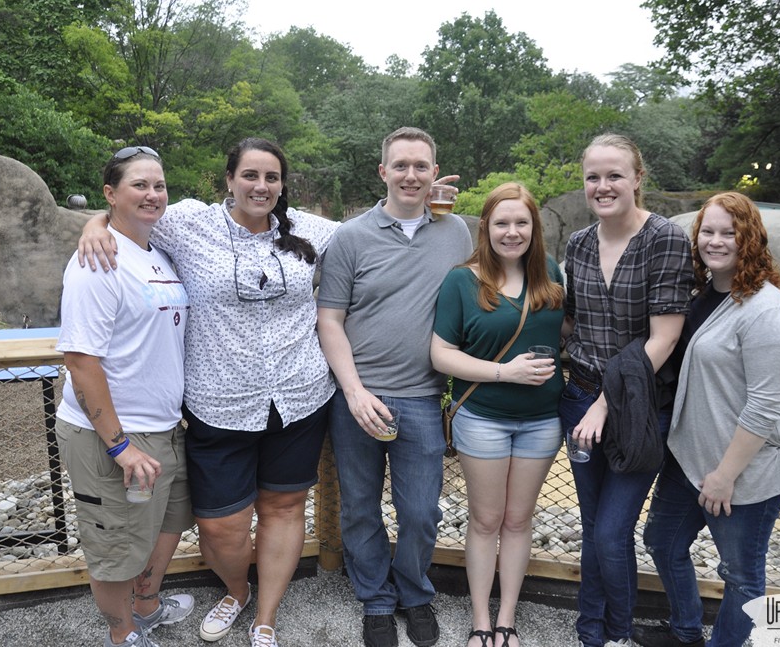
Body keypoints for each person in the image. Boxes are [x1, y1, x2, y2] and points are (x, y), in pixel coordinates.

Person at [78, 138, 339, 647]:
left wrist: (417, 199)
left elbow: (371, 232)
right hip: (218, 402)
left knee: (285, 508)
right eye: (250, 175)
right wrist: (92, 224)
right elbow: (129, 214)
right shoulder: (188, 222)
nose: (261, 186)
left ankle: (266, 615)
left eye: (272, 177)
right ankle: (236, 591)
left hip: (300, 396)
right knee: (220, 526)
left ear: (282, 185)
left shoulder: (308, 228)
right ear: (229, 179)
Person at [316, 126, 473, 647]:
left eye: (421, 166)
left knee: (422, 510)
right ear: (382, 171)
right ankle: (376, 598)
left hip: (424, 398)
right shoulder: (351, 237)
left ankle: (413, 590)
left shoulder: (456, 234)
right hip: (357, 397)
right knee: (359, 505)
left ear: (435, 174)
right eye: (400, 165)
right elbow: (330, 319)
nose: (410, 174)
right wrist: (355, 391)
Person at [633, 193, 780, 647]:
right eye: (708, 230)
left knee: (741, 574)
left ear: (751, 238)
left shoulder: (767, 309)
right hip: (688, 458)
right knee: (663, 543)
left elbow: (766, 405)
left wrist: (725, 475)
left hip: (745, 474)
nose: (716, 240)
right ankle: (685, 631)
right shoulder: (701, 295)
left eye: (729, 232)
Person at [56, 146, 194, 647]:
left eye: (159, 185)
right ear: (111, 194)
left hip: (164, 427)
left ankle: (148, 606)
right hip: (112, 435)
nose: (153, 194)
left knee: (167, 522)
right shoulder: (97, 260)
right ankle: (123, 634)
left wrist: (97, 219)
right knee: (115, 543)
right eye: (139, 185)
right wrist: (118, 445)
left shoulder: (156, 250)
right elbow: (80, 361)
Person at [559, 133, 693, 647]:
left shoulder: (665, 238)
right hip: (579, 397)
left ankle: (617, 633)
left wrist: (604, 405)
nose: (603, 185)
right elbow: (572, 325)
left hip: (637, 410)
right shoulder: (579, 244)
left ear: (638, 179)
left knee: (614, 531)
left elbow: (664, 338)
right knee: (594, 528)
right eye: (593, 176)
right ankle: (591, 630)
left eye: (614, 175)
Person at [430, 182, 567, 647]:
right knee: (485, 520)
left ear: (535, 227)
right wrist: (503, 372)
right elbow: (441, 354)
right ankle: (480, 619)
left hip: (543, 420)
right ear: (486, 228)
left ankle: (507, 615)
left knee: (518, 520)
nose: (512, 232)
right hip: (484, 417)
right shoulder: (462, 281)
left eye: (522, 223)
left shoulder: (550, 274)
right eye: (502, 223)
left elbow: (567, 329)